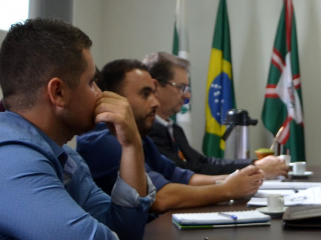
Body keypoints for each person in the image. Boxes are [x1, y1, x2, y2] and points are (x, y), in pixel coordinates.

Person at [0, 19, 154, 240]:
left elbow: (125, 235)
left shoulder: (63, 155)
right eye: (91, 82)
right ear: (58, 93)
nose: (101, 94)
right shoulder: (6, 156)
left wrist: (131, 145)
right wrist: (100, 236)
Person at [77, 60, 263, 213]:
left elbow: (180, 176)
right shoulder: (102, 141)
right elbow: (160, 197)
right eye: (145, 94)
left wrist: (237, 178)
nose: (155, 102)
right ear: (114, 98)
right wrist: (227, 189)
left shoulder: (141, 138)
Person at [141, 52, 288, 178]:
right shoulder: (148, 130)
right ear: (155, 86)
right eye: (181, 87)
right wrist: (256, 168)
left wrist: (253, 164)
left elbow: (202, 162)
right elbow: (186, 172)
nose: (187, 95)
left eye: (187, 88)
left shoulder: (173, 129)